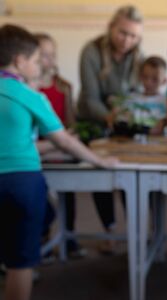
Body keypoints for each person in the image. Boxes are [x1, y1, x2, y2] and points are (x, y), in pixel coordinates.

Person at [0, 24, 117, 300]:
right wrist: (100, 161)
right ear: (20, 61)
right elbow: (63, 140)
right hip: (21, 183)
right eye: (36, 60)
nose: (40, 65)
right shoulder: (29, 95)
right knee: (20, 265)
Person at [77, 5, 143, 253]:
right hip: (95, 119)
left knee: (130, 173)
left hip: (122, 121)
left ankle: (136, 229)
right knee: (101, 177)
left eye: (134, 36)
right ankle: (109, 231)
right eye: (123, 33)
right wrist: (113, 116)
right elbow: (91, 97)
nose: (127, 40)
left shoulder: (139, 55)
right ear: (111, 27)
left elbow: (136, 93)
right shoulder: (90, 51)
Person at [34, 32, 86, 259]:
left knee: (69, 192)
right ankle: (43, 238)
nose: (48, 60)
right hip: (39, 152)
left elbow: (70, 122)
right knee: (40, 197)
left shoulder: (63, 87)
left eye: (51, 55)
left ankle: (70, 235)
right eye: (43, 55)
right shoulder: (29, 90)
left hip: (61, 149)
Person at [110, 55, 167, 136]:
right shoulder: (131, 98)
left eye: (155, 79)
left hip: (156, 143)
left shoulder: (166, 101)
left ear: (165, 81)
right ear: (140, 76)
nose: (148, 82)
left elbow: (162, 126)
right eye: (145, 77)